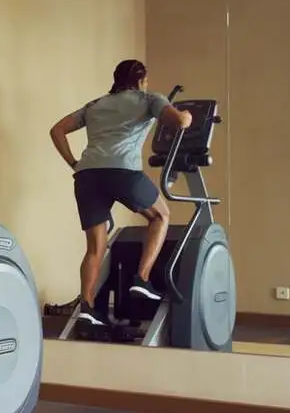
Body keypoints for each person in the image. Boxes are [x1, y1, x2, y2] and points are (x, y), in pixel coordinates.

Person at [48, 59, 193, 326]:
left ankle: (88, 307)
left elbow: (57, 130)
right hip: (123, 173)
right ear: (140, 81)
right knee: (161, 215)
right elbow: (180, 122)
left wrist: (73, 163)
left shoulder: (96, 105)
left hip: (87, 176)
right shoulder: (150, 98)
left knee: (95, 248)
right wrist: (187, 116)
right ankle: (142, 278)